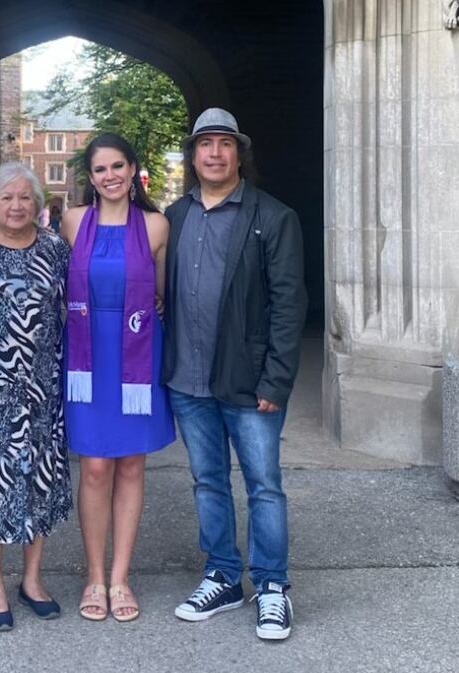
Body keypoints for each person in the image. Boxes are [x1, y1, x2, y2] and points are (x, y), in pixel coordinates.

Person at [162, 107, 307, 640]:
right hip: (188, 380)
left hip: (249, 382)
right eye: (206, 144)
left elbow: (289, 304)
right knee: (208, 482)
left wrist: (277, 379)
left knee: (264, 486)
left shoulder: (273, 216)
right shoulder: (174, 217)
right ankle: (222, 575)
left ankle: (272, 586)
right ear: (193, 154)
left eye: (225, 144)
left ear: (238, 153)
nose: (215, 153)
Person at [62, 133, 176, 622]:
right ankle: (93, 575)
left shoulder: (155, 226)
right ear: (90, 178)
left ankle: (120, 578)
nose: (109, 176)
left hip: (134, 355)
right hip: (87, 357)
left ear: (133, 170)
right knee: (93, 468)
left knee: (130, 466)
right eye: (99, 169)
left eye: (117, 167)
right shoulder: (71, 222)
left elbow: (162, 296)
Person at [0, 161, 72, 631]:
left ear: (37, 203)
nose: (17, 205)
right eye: (7, 197)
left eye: (25, 197)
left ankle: (33, 579)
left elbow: (72, 308)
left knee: (38, 481)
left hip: (42, 389)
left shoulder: (56, 250)